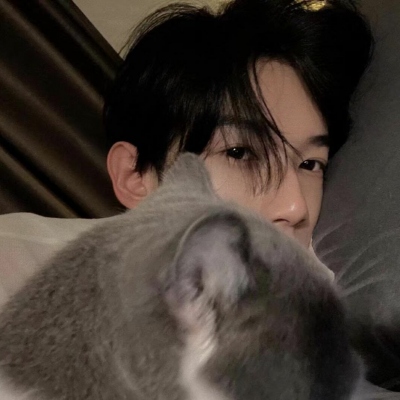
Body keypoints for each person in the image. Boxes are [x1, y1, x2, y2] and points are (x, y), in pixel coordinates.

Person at [0, 0, 372, 301]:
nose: (295, 207)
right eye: (240, 153)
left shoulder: (336, 285)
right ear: (135, 176)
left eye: (310, 164)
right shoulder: (18, 267)